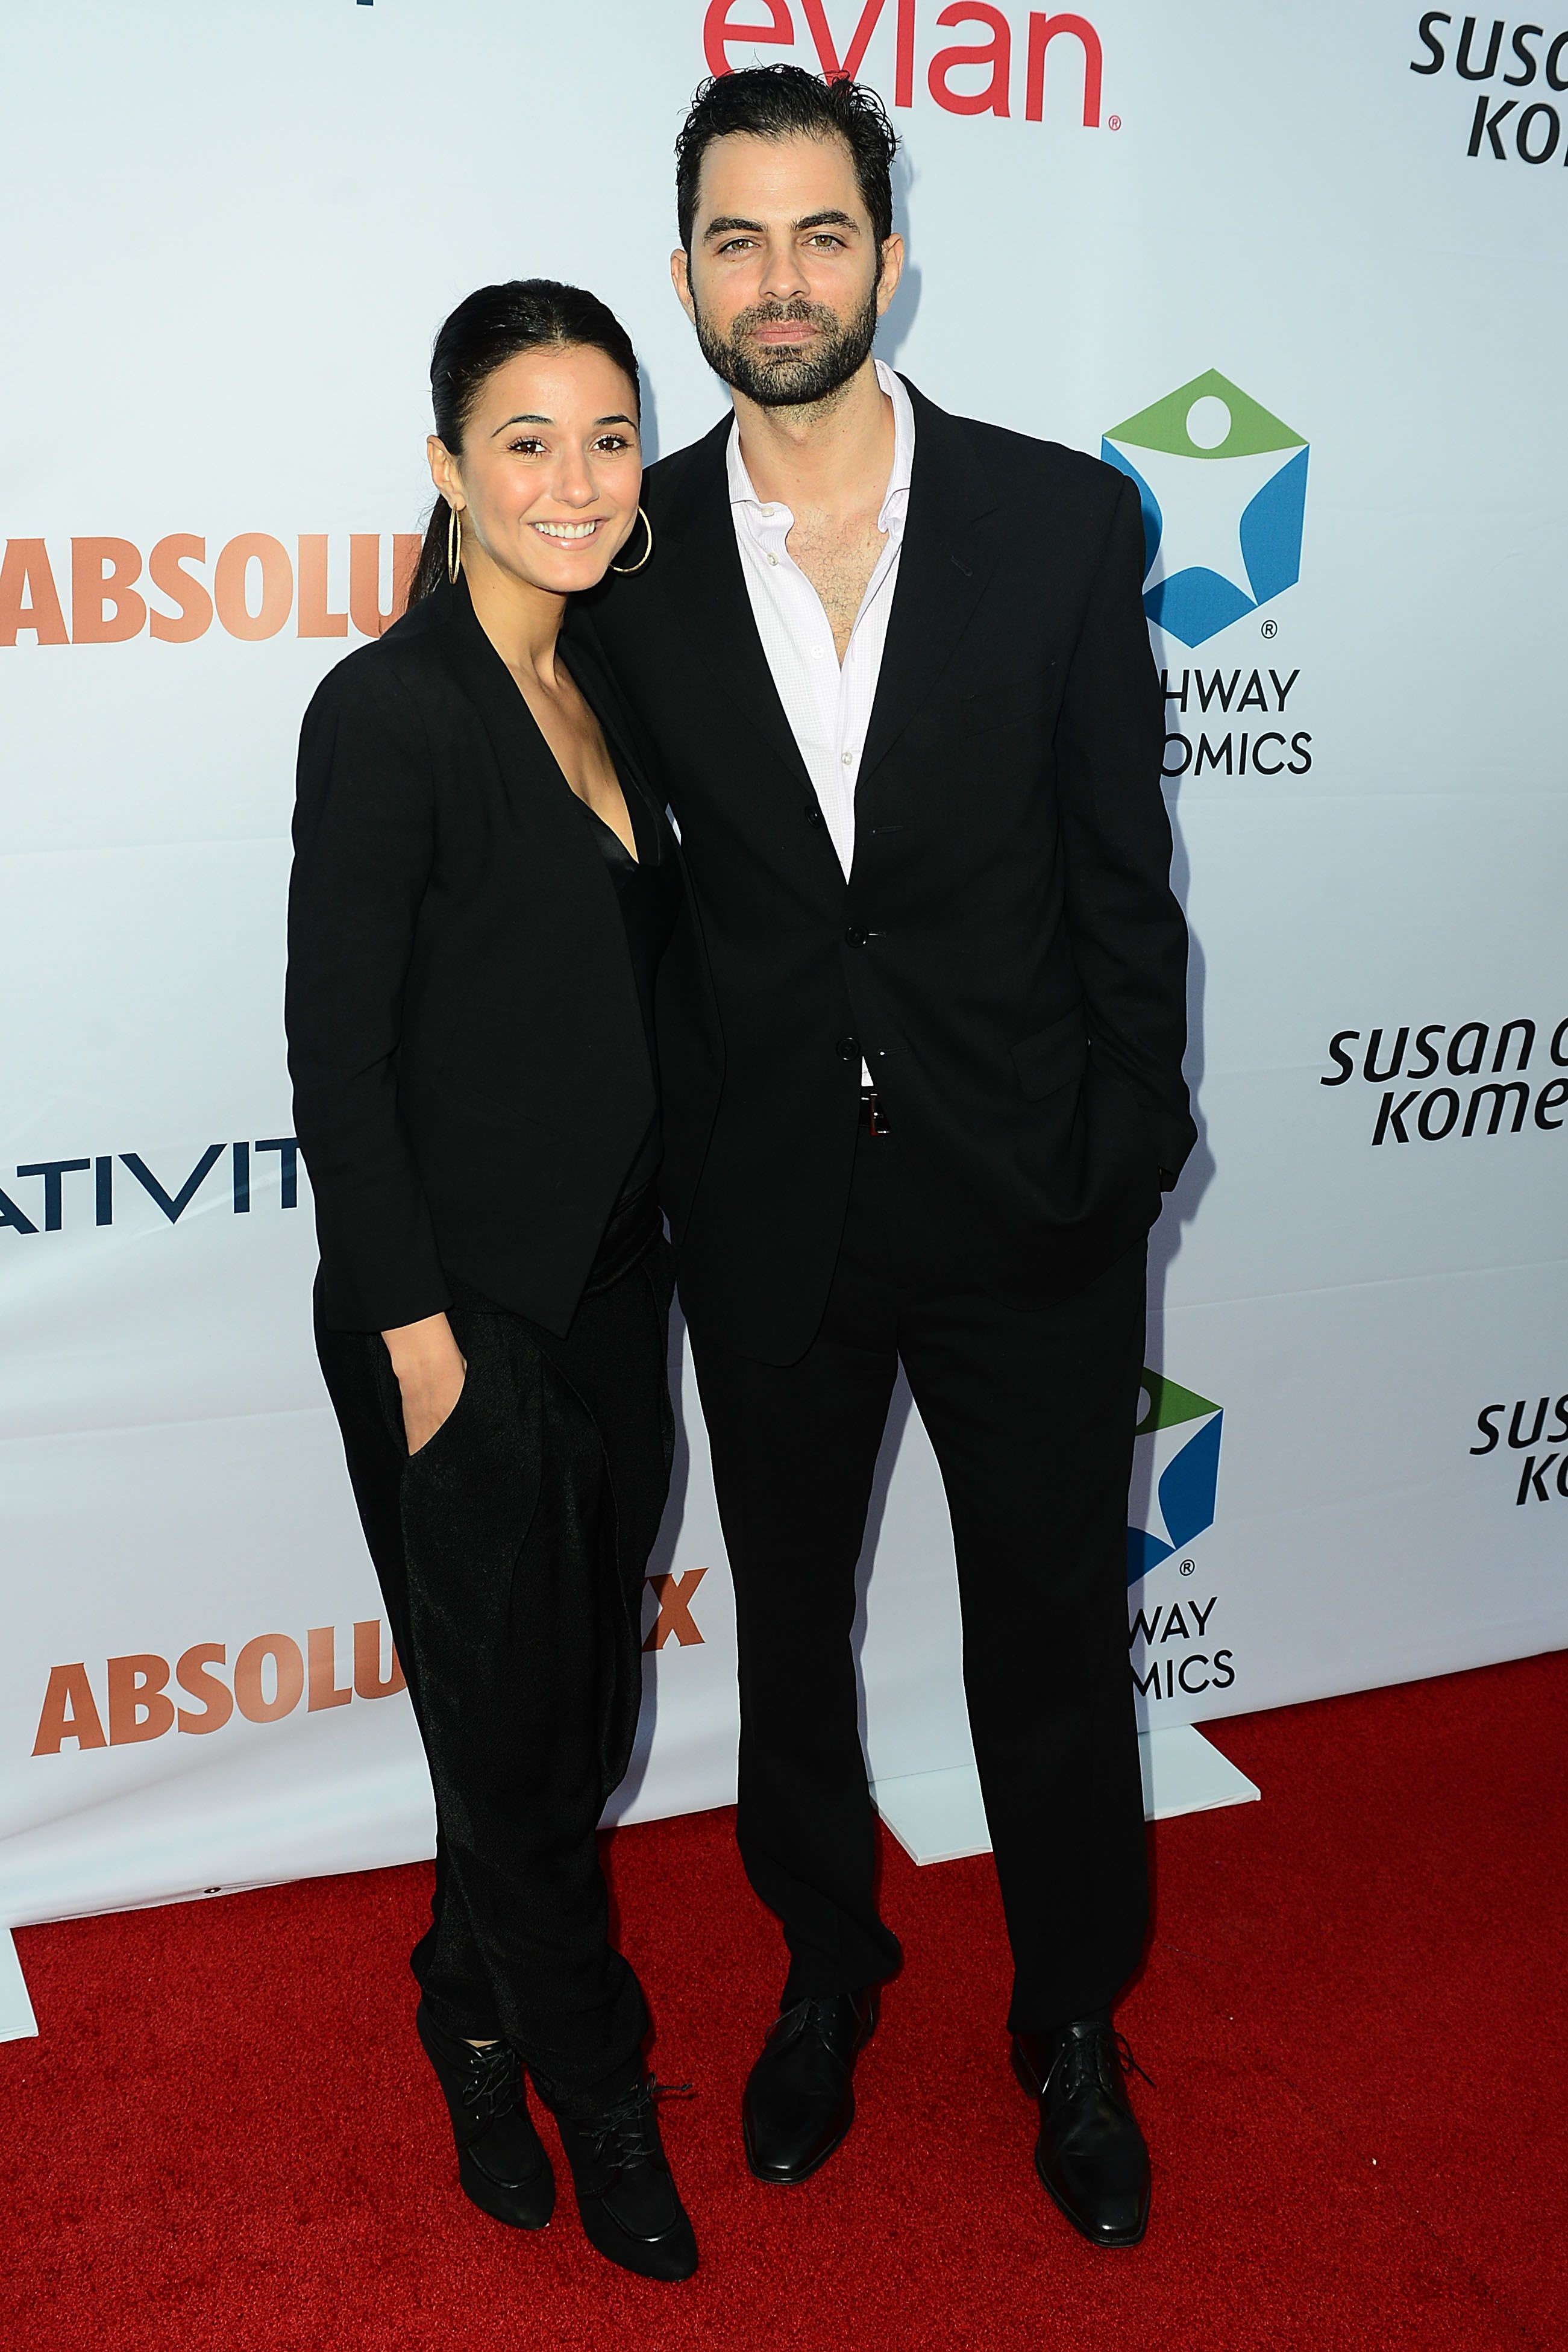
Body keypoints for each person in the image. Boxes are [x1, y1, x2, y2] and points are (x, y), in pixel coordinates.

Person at [571, 69, 1196, 2250]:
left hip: (1027, 1201)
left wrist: (1118, 1156)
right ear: (683, 279)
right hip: (766, 1219)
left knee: (1048, 1631)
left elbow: (1125, 884)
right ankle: (827, 1974)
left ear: (886, 257)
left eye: (818, 235)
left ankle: (1070, 2024)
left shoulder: (1051, 522)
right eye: (734, 242)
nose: (779, 281)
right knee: (795, 1646)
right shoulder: (625, 559)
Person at [285, 279, 718, 2285]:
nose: (574, 478)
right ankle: (595, 2087)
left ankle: (459, 1991)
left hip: (618, 1306)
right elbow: (336, 1058)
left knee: (566, 1726)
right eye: (526, 440)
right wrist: (420, 1352)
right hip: (453, 1330)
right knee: (520, 1751)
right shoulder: (390, 711)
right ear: (448, 467)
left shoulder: (621, 679)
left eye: (609, 437)